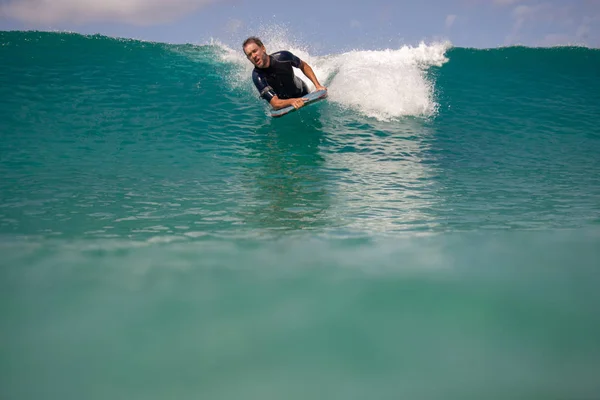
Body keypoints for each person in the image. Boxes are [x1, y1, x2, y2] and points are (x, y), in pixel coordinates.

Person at [243, 37, 327, 110]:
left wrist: (317, 85)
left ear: (263, 48)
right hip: (285, 103)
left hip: (303, 92)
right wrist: (292, 101)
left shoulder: (283, 57)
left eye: (255, 51)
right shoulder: (257, 76)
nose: (253, 56)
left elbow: (303, 66)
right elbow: (275, 103)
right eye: (249, 55)